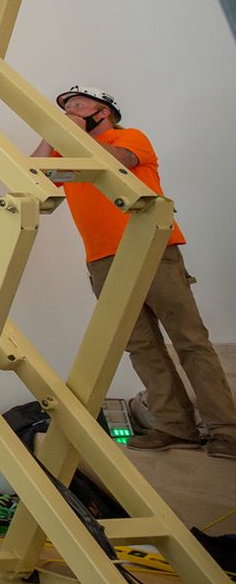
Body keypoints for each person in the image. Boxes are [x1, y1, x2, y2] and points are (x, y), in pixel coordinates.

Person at [34, 87, 234, 459]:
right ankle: (175, 427)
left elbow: (118, 162)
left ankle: (227, 430)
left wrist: (73, 133)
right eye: (65, 107)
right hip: (102, 260)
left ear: (104, 112)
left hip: (152, 248)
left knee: (189, 339)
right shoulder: (67, 152)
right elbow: (34, 176)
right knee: (140, 345)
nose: (69, 110)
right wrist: (52, 134)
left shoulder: (128, 137)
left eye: (78, 104)